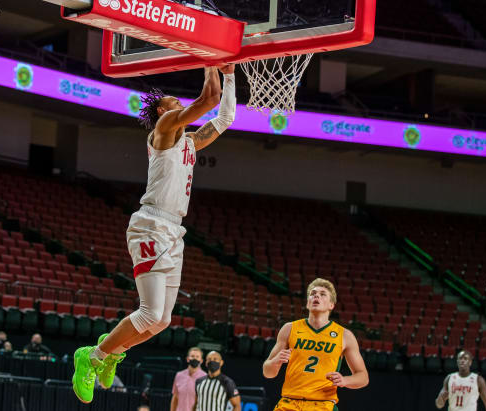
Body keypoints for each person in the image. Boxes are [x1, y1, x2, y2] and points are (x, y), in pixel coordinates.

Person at [71, 63, 237, 404]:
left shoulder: (190, 141)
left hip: (174, 230)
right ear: (163, 111)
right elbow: (209, 100)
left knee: (161, 321)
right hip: (151, 223)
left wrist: (230, 73)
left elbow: (224, 117)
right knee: (148, 312)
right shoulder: (163, 127)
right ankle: (92, 356)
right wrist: (210, 61)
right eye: (175, 102)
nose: (179, 103)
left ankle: (111, 352)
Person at [263, 278, 369, 411]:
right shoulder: (289, 328)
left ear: (331, 305)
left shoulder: (344, 335)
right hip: (289, 403)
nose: (316, 296)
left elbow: (363, 377)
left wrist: (345, 380)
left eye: (323, 294)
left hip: (322, 405)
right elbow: (267, 372)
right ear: (307, 303)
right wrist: (275, 362)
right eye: (312, 294)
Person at [172, 347, 207, 411]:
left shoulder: (205, 377)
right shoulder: (179, 375)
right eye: (192, 356)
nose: (194, 358)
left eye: (197, 357)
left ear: (201, 361)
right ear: (188, 359)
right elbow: (175, 398)